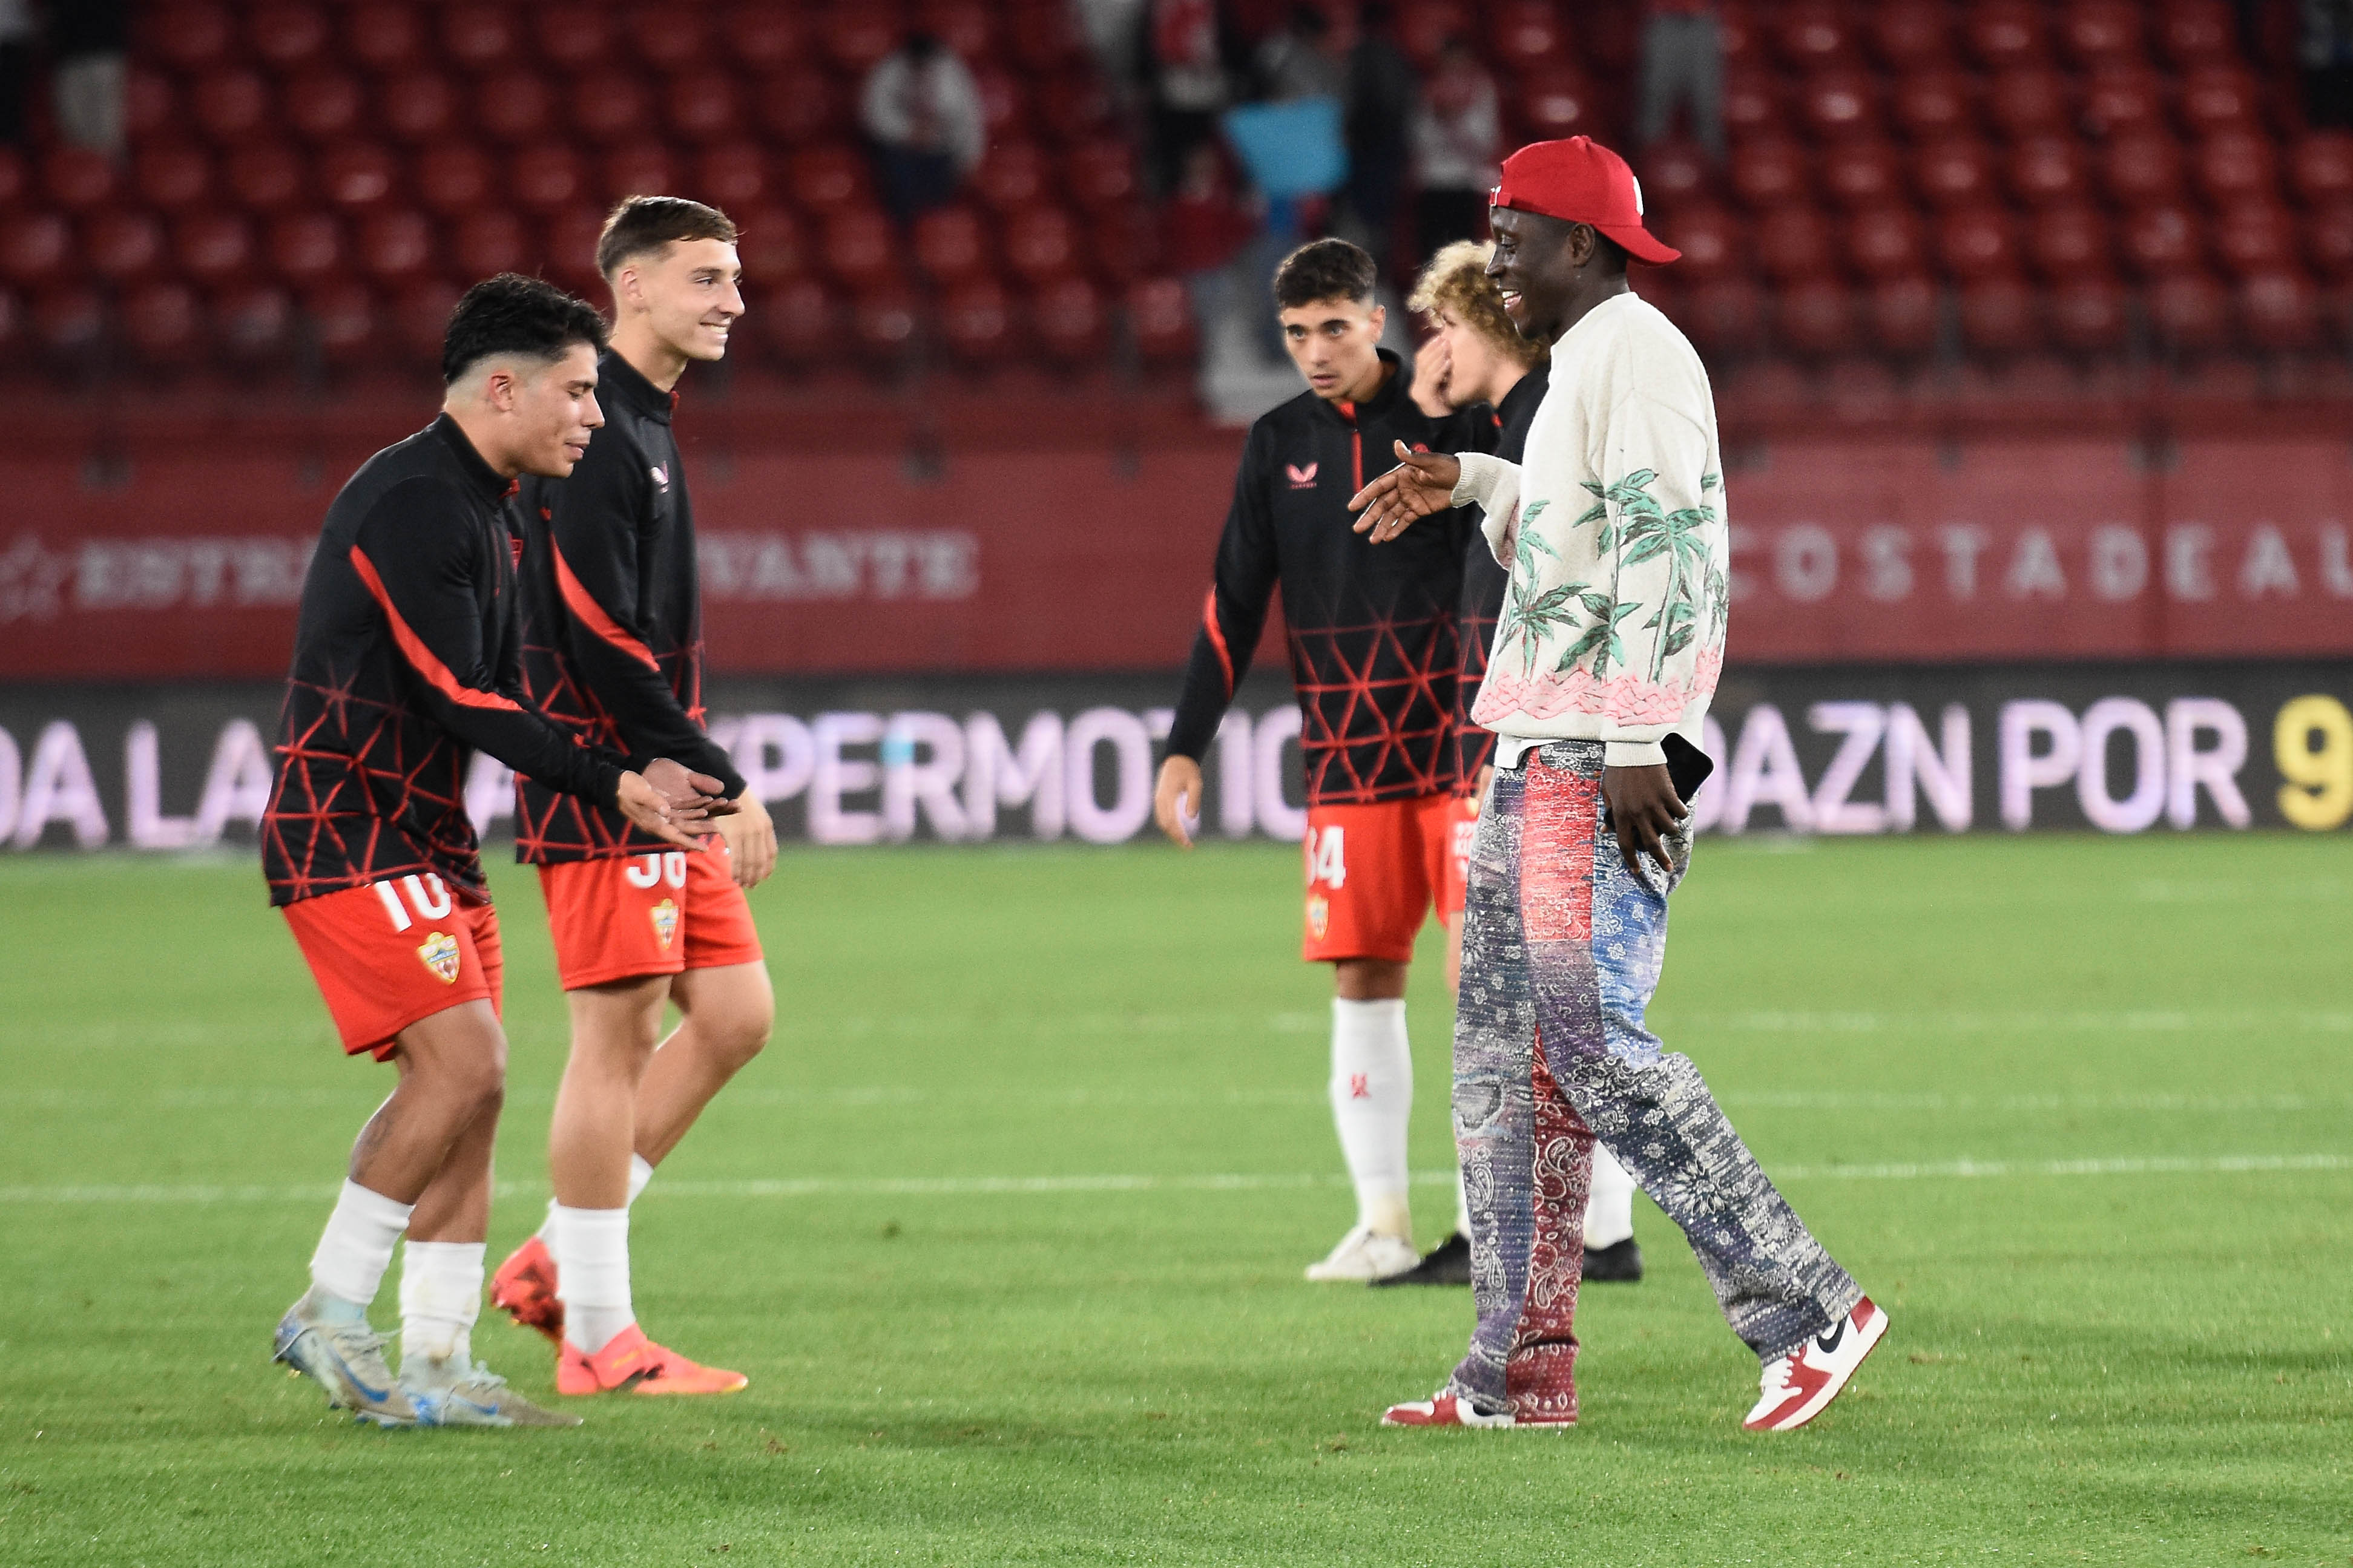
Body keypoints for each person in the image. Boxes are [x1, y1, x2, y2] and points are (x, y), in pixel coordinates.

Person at [1351, 137, 1884, 1430]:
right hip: (1536, 739)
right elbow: (1579, 531)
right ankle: (1514, 1368)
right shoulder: (1583, 361)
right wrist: (1472, 481)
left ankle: (1807, 1305)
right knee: (1501, 1071)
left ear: (1580, 244)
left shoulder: (1634, 349)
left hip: (1599, 746)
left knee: (1588, 1045)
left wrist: (1644, 728)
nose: (1496, 259)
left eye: (1513, 234)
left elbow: (1669, 542)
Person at [262, 274, 730, 1429]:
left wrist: (634, 765)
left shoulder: (492, 507)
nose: (592, 414)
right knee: (465, 1065)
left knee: (474, 1091)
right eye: (576, 392)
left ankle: (434, 1361)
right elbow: (460, 693)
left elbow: (513, 689)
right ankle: (327, 1304)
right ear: (504, 388)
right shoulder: (418, 502)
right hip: (345, 828)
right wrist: (613, 780)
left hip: (426, 834)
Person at [487, 198, 774, 1400]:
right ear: (634, 284)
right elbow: (601, 640)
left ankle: (561, 1251)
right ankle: (601, 1334)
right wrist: (723, 776)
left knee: (735, 1013)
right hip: (612, 783)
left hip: (657, 784)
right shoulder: (596, 426)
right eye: (707, 278)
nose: (732, 302)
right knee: (615, 1038)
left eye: (735, 278)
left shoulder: (644, 419)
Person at [1155, 237, 1484, 1284]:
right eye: (1295, 333)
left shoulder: (1448, 426)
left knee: (1483, 979)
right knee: (1362, 975)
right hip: (1348, 758)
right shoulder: (1276, 444)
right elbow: (1233, 601)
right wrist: (1184, 745)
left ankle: (1496, 1225)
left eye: (1332, 328)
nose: (1313, 351)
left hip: (1466, 748)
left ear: (1375, 318)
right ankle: (1383, 1225)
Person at [1376, 239, 1645, 1291]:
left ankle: (1561, 1230)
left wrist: (1515, 744)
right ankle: (1590, 1228)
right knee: (1539, 987)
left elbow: (1558, 574)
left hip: (1532, 736)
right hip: (1511, 730)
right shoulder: (1512, 423)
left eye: (1439, 326)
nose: (1428, 350)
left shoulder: (1545, 411)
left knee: (1517, 986)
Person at [859, 31, 986, 223]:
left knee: (938, 209)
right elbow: (874, 114)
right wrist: (909, 132)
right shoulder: (888, 69)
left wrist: (970, 159)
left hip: (940, 148)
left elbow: (969, 119)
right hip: (900, 148)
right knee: (901, 199)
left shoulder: (952, 71)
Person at [1410, 38, 1501, 266]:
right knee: (1431, 255)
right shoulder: (1429, 89)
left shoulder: (1481, 89)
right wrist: (1440, 117)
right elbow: (1419, 137)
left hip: (1466, 182)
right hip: (1433, 182)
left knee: (1461, 256)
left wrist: (1456, 121)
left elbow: (1486, 139)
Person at [1636, 0, 1725, 163]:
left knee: (1706, 103)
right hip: (1662, 20)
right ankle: (1644, 169)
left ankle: (1715, 170)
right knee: (1655, 100)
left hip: (1700, 20)